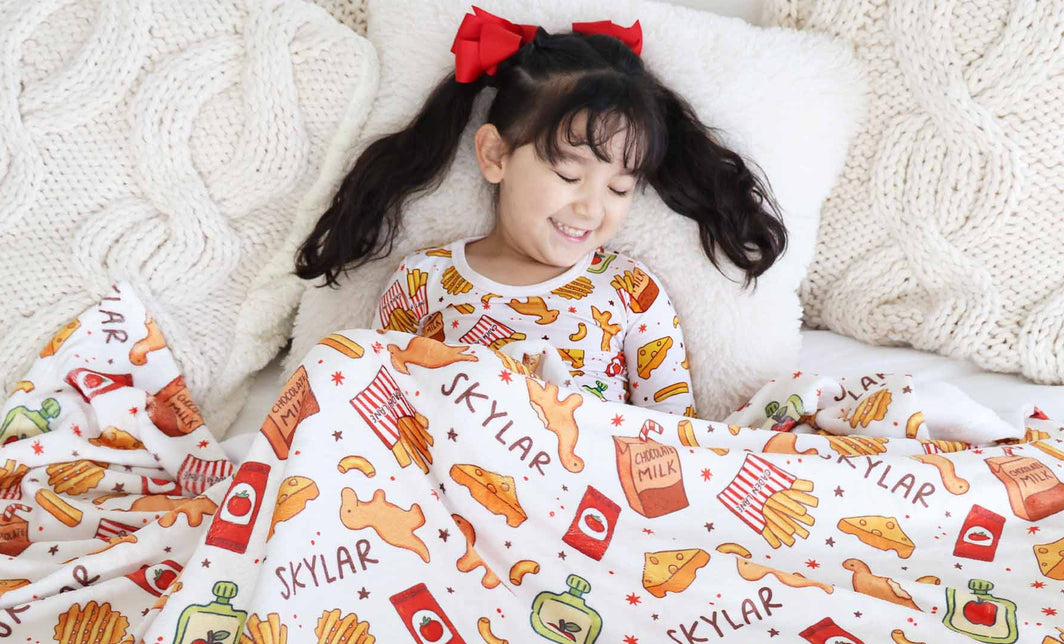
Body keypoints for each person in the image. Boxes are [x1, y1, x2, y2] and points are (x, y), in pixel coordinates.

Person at [295, 7, 787, 415]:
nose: (591, 207)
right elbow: (385, 414)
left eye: (619, 188)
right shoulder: (423, 282)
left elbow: (672, 433)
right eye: (568, 176)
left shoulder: (631, 293)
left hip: (589, 499)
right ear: (495, 155)